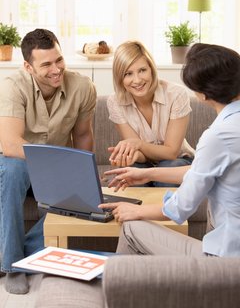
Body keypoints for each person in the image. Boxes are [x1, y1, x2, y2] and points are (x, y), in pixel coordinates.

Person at [100, 43, 240, 258]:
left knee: (131, 229)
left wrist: (135, 211)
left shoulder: (217, 136)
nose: (137, 79)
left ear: (201, 95)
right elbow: (200, 171)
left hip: (226, 260)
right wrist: (147, 173)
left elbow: (181, 207)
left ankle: (118, 286)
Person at [0, 28, 97, 294]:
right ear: (28, 67)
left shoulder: (83, 87)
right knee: (13, 168)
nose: (56, 70)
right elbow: (10, 144)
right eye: (46, 64)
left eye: (59, 60)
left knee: (85, 200)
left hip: (56, 168)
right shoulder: (12, 87)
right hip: (18, 164)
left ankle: (18, 254)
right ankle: (11, 266)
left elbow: (83, 135)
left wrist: (84, 175)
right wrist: (56, 162)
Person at [107, 40, 194, 187]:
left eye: (142, 70)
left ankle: (161, 210)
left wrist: (138, 144)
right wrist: (131, 156)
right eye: (128, 74)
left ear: (151, 69)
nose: (137, 80)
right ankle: (136, 210)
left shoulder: (176, 94)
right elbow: (139, 154)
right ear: (120, 78)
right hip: (144, 162)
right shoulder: (115, 102)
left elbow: (171, 152)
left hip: (178, 161)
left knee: (168, 169)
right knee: (128, 173)